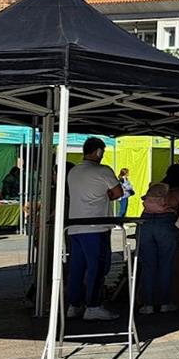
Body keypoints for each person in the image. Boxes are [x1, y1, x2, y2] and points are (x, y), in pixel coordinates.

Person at [65, 138, 124, 322]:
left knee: (77, 267)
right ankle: (93, 305)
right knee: (97, 268)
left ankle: (74, 304)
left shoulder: (73, 171)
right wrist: (106, 195)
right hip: (96, 225)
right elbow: (118, 193)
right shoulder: (103, 170)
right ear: (98, 151)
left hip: (75, 225)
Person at [137, 164, 179, 315]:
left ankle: (148, 304)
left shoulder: (157, 188)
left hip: (145, 222)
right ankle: (165, 303)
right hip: (166, 224)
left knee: (148, 265)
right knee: (166, 264)